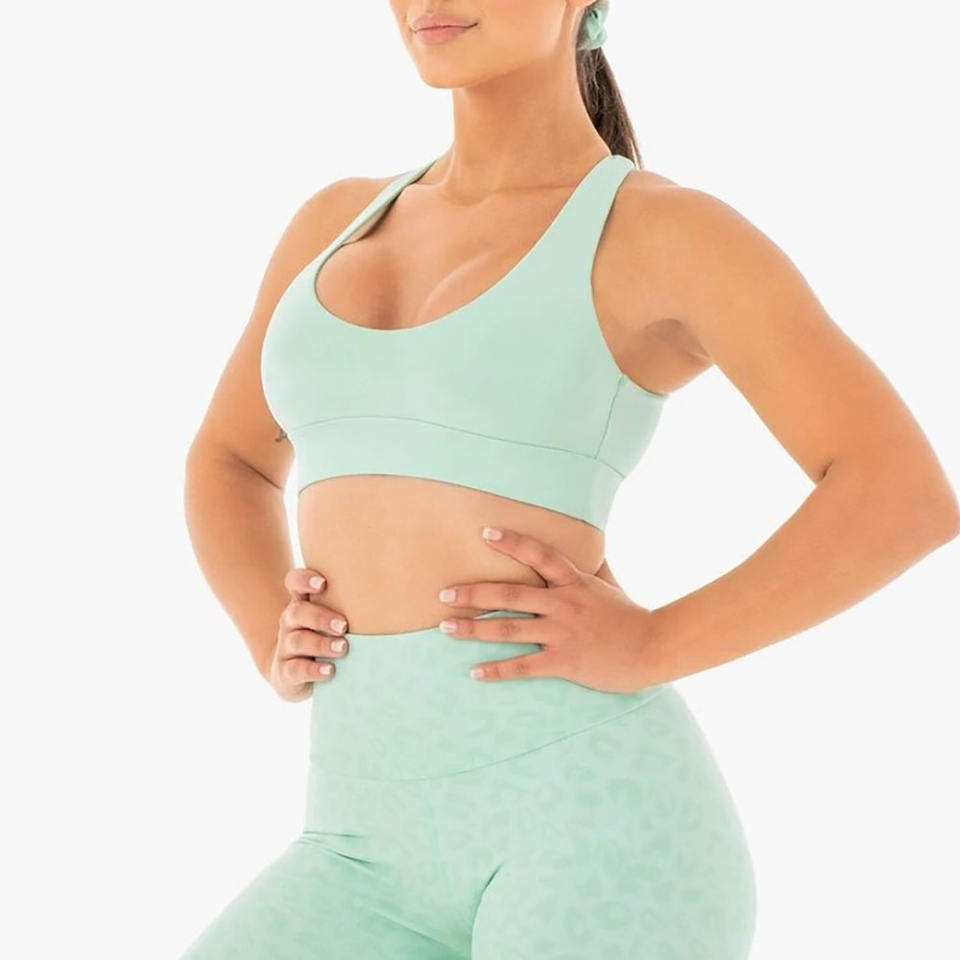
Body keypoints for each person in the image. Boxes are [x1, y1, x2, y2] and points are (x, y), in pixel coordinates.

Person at [181, 2, 959, 957]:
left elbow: (899, 491)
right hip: (359, 843)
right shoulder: (332, 223)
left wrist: (655, 641)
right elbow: (230, 459)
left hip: (593, 832)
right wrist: (268, 620)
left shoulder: (663, 232)